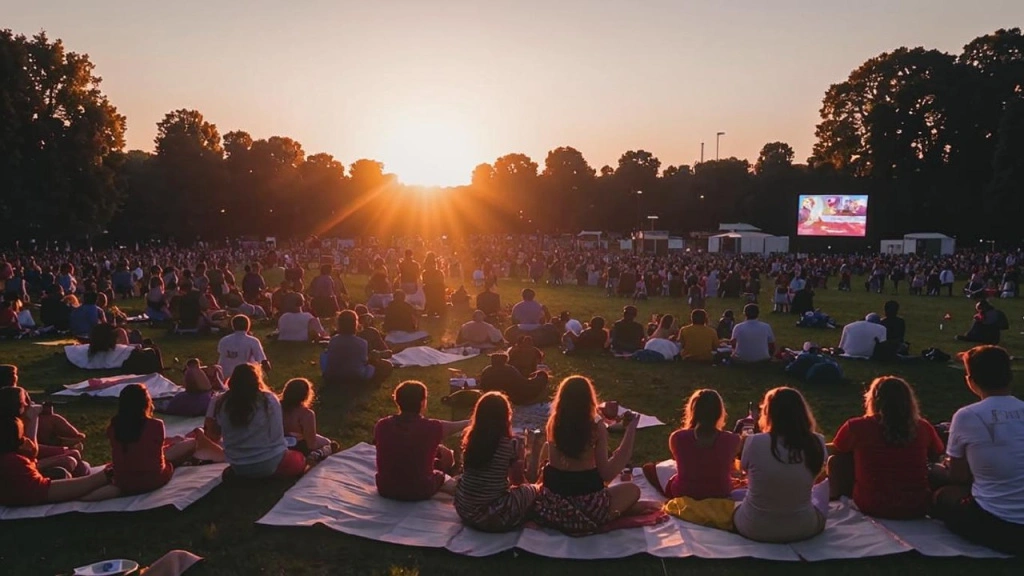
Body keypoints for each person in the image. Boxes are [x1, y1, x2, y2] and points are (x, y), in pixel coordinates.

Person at [532, 376, 656, 535]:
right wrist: (630, 430)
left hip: (553, 507)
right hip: (589, 508)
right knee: (632, 490)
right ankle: (615, 513)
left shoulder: (553, 423)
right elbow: (607, 474)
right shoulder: (596, 428)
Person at [932, 346, 1024, 555]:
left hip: (1000, 524)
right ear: (1010, 377)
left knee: (942, 496)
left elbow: (958, 476)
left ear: (970, 380)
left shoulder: (967, 416)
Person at [827, 376, 944, 518]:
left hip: (872, 505)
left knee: (838, 460)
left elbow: (837, 448)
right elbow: (937, 452)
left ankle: (831, 496)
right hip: (916, 506)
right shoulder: (924, 427)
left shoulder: (856, 426)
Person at [733, 387, 827, 543]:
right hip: (804, 528)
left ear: (768, 413)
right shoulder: (817, 442)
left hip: (754, 527)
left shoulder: (754, 441)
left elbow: (743, 470)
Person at [96, 384, 202, 499]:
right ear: (146, 403)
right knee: (191, 444)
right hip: (154, 479)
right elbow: (155, 451)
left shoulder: (114, 427)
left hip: (124, 482)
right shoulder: (156, 425)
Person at [455, 392, 540, 532]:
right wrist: (528, 488)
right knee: (533, 490)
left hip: (464, 509)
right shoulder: (510, 444)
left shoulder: (471, 440)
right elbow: (517, 480)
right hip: (490, 515)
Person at [205, 364, 306, 479]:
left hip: (238, 466)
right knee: (300, 459)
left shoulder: (220, 402)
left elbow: (213, 436)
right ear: (256, 380)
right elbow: (277, 435)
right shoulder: (269, 400)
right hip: (271, 461)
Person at [374, 381, 469, 501]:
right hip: (420, 490)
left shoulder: (382, 425)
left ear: (397, 400)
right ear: (423, 402)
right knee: (446, 456)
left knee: (439, 453)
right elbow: (462, 425)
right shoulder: (433, 427)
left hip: (385, 488)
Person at [0, 417, 113, 506]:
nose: (28, 404)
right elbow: (47, 491)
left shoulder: (11, 459)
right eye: (21, 438)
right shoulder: (11, 462)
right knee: (65, 470)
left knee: (75, 465)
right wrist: (107, 475)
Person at [656, 389, 742, 500]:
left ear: (693, 410)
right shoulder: (733, 440)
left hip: (684, 493)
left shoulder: (677, 437)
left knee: (654, 470)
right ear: (719, 412)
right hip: (720, 493)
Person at [322, 310, 394, 388]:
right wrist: (374, 357)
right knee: (386, 365)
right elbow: (364, 362)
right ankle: (372, 384)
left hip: (334, 377)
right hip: (356, 377)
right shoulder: (362, 343)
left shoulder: (333, 340)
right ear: (355, 324)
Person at [279, 378, 337, 459]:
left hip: (276, 444)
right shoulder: (306, 414)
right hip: (298, 447)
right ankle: (317, 454)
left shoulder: (275, 408)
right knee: (328, 443)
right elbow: (311, 444)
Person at [479, 353, 549, 406]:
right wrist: (541, 377)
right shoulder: (509, 370)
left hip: (490, 400)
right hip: (513, 398)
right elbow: (523, 383)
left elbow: (483, 385)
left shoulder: (487, 370)